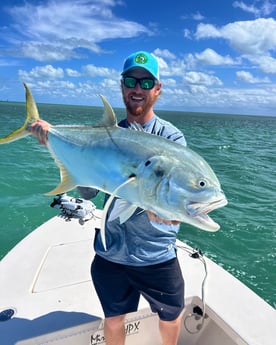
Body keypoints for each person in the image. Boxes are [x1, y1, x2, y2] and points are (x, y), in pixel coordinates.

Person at [30, 51, 187, 345]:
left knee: (172, 316)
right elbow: (89, 191)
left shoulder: (172, 140)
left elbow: (176, 193)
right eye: (131, 81)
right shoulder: (102, 135)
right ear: (122, 86)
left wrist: (168, 211)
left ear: (157, 88)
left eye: (146, 82)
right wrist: (57, 145)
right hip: (111, 249)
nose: (137, 88)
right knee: (113, 319)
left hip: (156, 254)